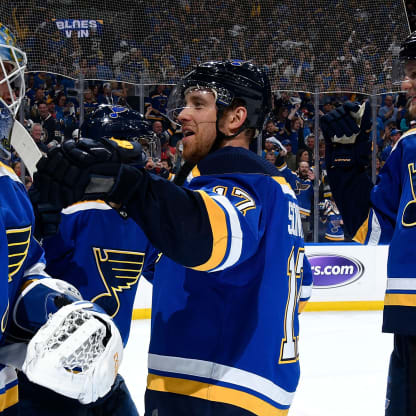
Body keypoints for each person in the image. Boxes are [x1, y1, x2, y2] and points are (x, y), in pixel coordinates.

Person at [31, 60, 312, 415]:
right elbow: (301, 288)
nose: (181, 114)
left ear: (235, 118)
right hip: (244, 394)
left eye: (198, 104)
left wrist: (129, 186)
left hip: (210, 393)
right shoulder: (278, 193)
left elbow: (204, 236)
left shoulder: (236, 182)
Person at [0, 23, 123, 414]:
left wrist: (48, 304)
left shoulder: (8, 183)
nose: (9, 94)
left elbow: (22, 271)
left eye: (9, 79)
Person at [18, 105, 156, 416]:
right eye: (141, 146)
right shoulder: (68, 211)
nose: (148, 158)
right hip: (46, 378)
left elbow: (167, 272)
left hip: (101, 374)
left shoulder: (142, 217)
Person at [320, 31, 416, 416]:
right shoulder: (408, 146)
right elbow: (374, 231)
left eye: (414, 73)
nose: (406, 84)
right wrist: (344, 165)